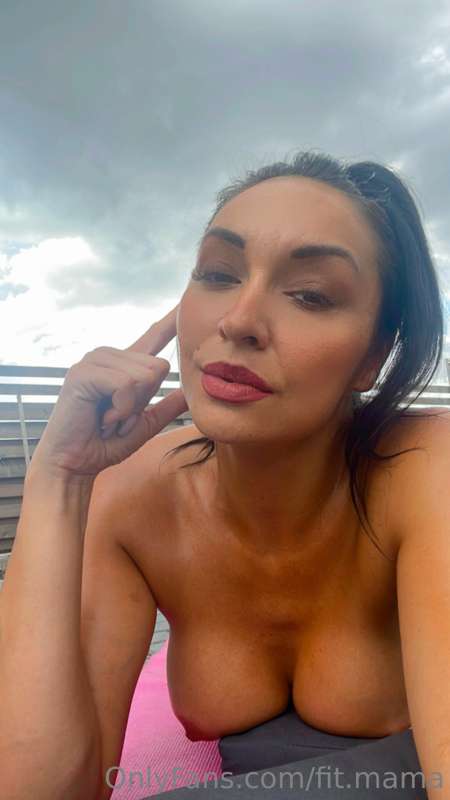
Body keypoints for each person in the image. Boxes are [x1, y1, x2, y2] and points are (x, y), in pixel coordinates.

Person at [1, 150, 449, 800]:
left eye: (310, 294)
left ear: (371, 357)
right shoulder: (131, 495)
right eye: (217, 273)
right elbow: (45, 789)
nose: (238, 321)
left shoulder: (424, 469)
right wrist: (59, 478)